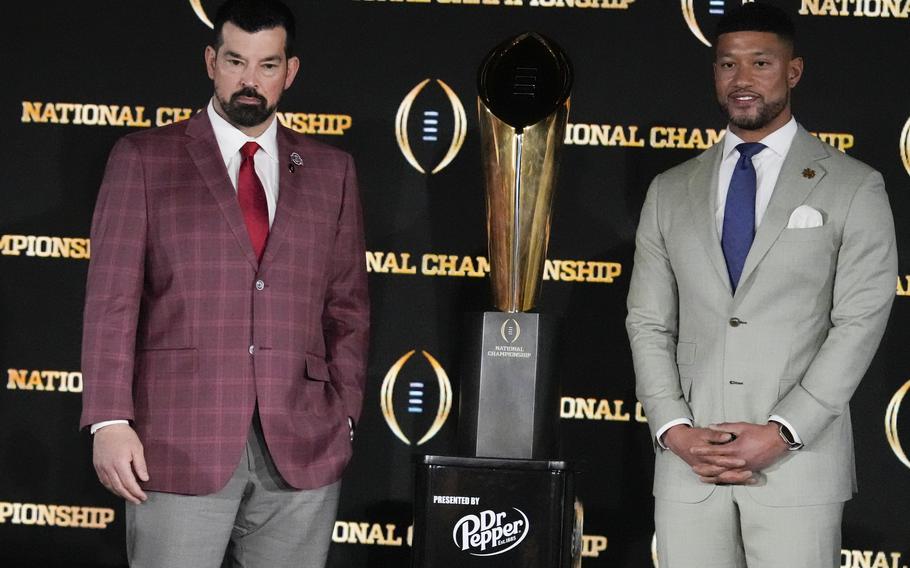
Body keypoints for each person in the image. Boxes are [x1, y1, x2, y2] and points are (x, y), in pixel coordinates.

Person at [79, 0, 369, 566]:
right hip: (177, 442)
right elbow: (111, 300)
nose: (249, 81)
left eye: (266, 65)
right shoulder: (144, 159)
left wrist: (345, 415)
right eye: (236, 61)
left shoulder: (333, 172)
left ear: (290, 72)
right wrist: (109, 420)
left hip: (303, 446)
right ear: (211, 61)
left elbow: (348, 307)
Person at [626, 3, 896, 566]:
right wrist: (673, 428)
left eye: (760, 63)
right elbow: (649, 321)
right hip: (688, 466)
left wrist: (785, 430)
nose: (742, 80)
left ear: (793, 72)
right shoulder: (671, 189)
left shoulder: (852, 185)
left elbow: (860, 321)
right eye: (727, 65)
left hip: (797, 466)